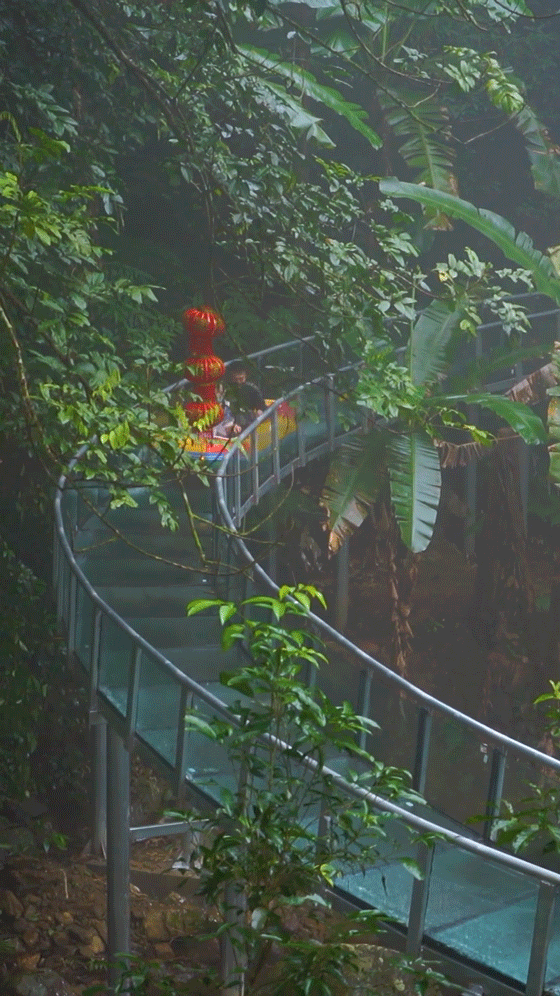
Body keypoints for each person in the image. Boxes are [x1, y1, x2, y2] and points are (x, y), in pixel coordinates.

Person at [224, 360, 266, 431]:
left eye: (241, 378)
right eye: (235, 379)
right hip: (230, 421)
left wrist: (259, 411)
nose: (238, 382)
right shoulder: (226, 390)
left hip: (248, 421)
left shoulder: (251, 389)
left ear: (245, 376)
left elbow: (261, 405)